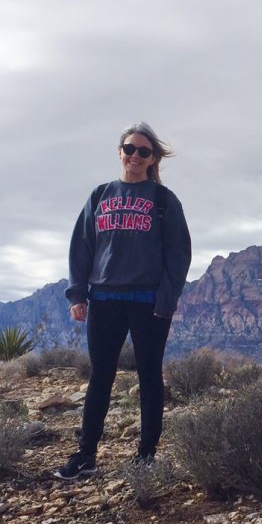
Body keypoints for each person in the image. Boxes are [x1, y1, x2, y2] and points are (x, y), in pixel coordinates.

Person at [54, 122, 191, 480]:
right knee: (100, 377)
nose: (135, 156)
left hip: (149, 303)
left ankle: (146, 457)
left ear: (152, 159)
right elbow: (82, 247)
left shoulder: (163, 200)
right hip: (104, 300)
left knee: (149, 377)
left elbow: (179, 254)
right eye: (130, 149)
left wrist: (167, 298)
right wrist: (77, 294)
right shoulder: (100, 195)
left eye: (143, 151)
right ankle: (86, 455)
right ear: (120, 152)